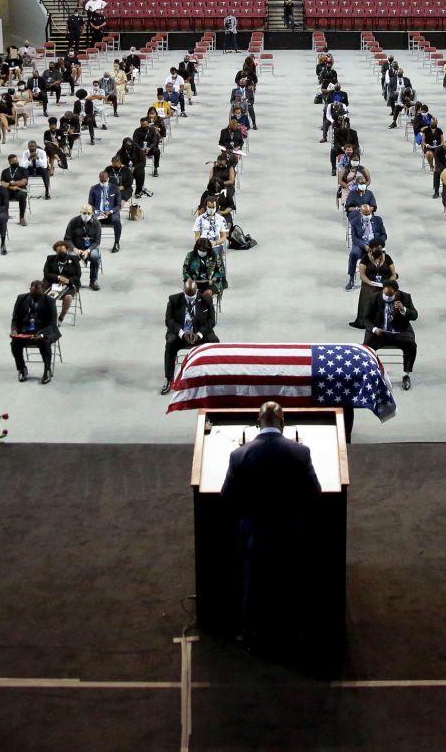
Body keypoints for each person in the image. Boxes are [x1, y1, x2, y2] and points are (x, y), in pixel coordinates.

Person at [219, 401, 322, 649]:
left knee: (252, 582)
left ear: (258, 422)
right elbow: (314, 492)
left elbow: (227, 496)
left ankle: (250, 633)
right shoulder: (301, 453)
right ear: (282, 423)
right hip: (291, 530)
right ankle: (295, 632)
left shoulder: (239, 455)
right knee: (293, 581)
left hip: (255, 531)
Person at [162, 278, 219, 394]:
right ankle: (169, 379)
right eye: (188, 298)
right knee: (170, 343)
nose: (190, 300)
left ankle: (214, 377)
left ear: (197, 291)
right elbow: (169, 321)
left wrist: (199, 334)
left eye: (192, 298)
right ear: (183, 291)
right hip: (180, 334)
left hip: (199, 333)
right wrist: (182, 333)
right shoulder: (173, 300)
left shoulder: (206, 300)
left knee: (214, 342)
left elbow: (212, 321)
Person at [363, 279, 417, 390]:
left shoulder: (405, 297)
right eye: (385, 294)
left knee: (411, 345)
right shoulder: (374, 297)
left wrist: (404, 309)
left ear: (396, 292)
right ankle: (369, 374)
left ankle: (406, 375)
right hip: (380, 333)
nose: (387, 298)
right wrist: (374, 329)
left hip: (399, 332)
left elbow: (415, 315)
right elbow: (366, 318)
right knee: (366, 347)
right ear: (383, 289)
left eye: (390, 295)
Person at [11, 279, 61, 384]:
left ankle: (47, 370)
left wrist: (41, 334)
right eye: (32, 294)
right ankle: (22, 368)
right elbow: (15, 319)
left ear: (43, 290)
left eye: (37, 294)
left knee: (45, 342)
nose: (34, 296)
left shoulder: (50, 301)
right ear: (30, 289)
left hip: (43, 330)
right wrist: (14, 330)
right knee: (15, 343)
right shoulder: (21, 299)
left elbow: (52, 324)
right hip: (26, 330)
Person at [352, 238, 395, 328]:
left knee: (388, 291)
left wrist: (389, 283)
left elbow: (393, 274)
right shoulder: (365, 259)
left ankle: (386, 320)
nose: (377, 250)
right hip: (369, 283)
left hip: (385, 283)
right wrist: (370, 283)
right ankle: (365, 320)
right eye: (375, 248)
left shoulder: (387, 258)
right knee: (369, 291)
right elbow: (362, 276)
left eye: (379, 248)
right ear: (371, 248)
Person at [345, 202, 386, 290]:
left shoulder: (378, 220)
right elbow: (354, 238)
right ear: (361, 213)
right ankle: (351, 279)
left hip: (375, 244)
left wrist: (378, 244)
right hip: (361, 244)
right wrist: (364, 246)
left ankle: (380, 277)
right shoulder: (354, 222)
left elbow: (384, 235)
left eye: (369, 214)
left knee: (382, 254)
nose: (367, 216)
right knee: (353, 254)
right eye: (365, 214)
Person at [65, 205, 103, 290]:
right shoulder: (73, 222)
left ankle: (93, 281)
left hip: (90, 248)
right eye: (84, 213)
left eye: (89, 213)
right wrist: (74, 249)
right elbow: (67, 239)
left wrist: (88, 250)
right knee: (71, 258)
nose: (86, 215)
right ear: (80, 212)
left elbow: (97, 241)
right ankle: (75, 282)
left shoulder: (97, 224)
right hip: (76, 247)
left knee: (95, 257)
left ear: (92, 213)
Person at [89, 171, 124, 253]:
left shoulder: (115, 188)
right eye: (101, 181)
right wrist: (98, 211)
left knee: (117, 220)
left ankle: (116, 242)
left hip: (111, 213)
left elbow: (118, 205)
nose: (103, 183)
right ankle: (93, 243)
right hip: (98, 213)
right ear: (99, 179)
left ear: (108, 178)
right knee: (89, 220)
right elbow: (90, 204)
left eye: (105, 181)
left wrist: (110, 211)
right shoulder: (93, 189)